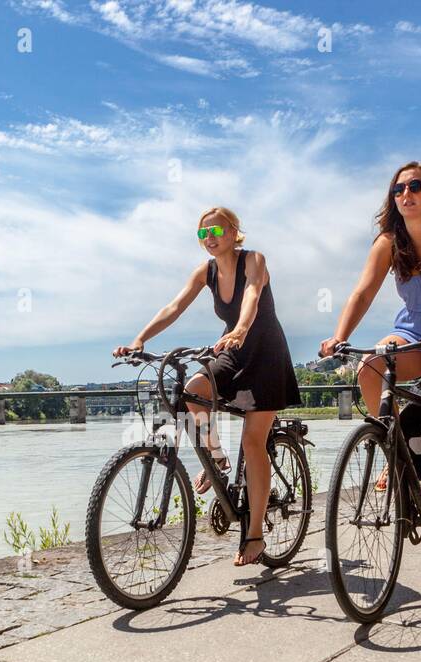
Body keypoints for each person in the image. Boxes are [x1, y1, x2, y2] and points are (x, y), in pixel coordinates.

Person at [319, 161, 421, 578]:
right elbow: (363, 291)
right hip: (412, 327)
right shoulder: (389, 242)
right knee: (371, 365)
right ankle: (394, 452)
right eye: (398, 189)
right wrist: (338, 335)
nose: (406, 194)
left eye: (415, 186)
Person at [114, 206, 300, 567]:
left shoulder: (254, 260)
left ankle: (255, 534)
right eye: (203, 234)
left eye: (216, 231)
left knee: (253, 440)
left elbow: (252, 295)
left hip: (266, 354)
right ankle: (217, 457)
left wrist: (242, 327)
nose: (210, 239)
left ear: (234, 232)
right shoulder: (206, 271)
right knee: (192, 391)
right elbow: (174, 306)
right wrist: (139, 339)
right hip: (231, 349)